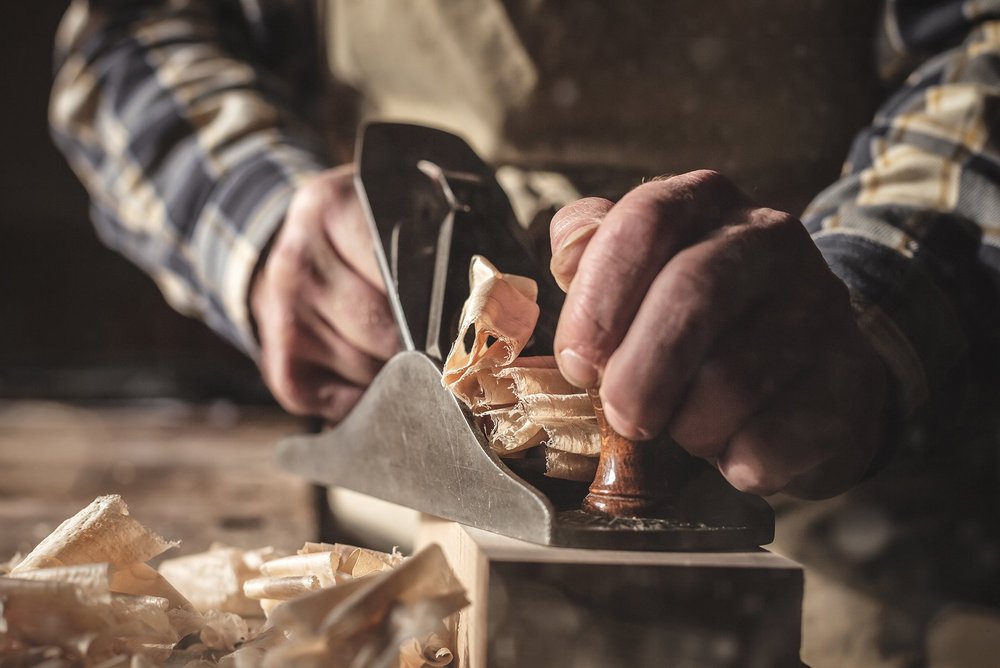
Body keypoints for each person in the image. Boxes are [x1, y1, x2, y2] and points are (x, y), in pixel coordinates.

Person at [50, 1, 1000, 664]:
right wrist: (258, 229)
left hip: (834, 508)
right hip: (403, 559)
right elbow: (134, 30)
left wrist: (871, 295)